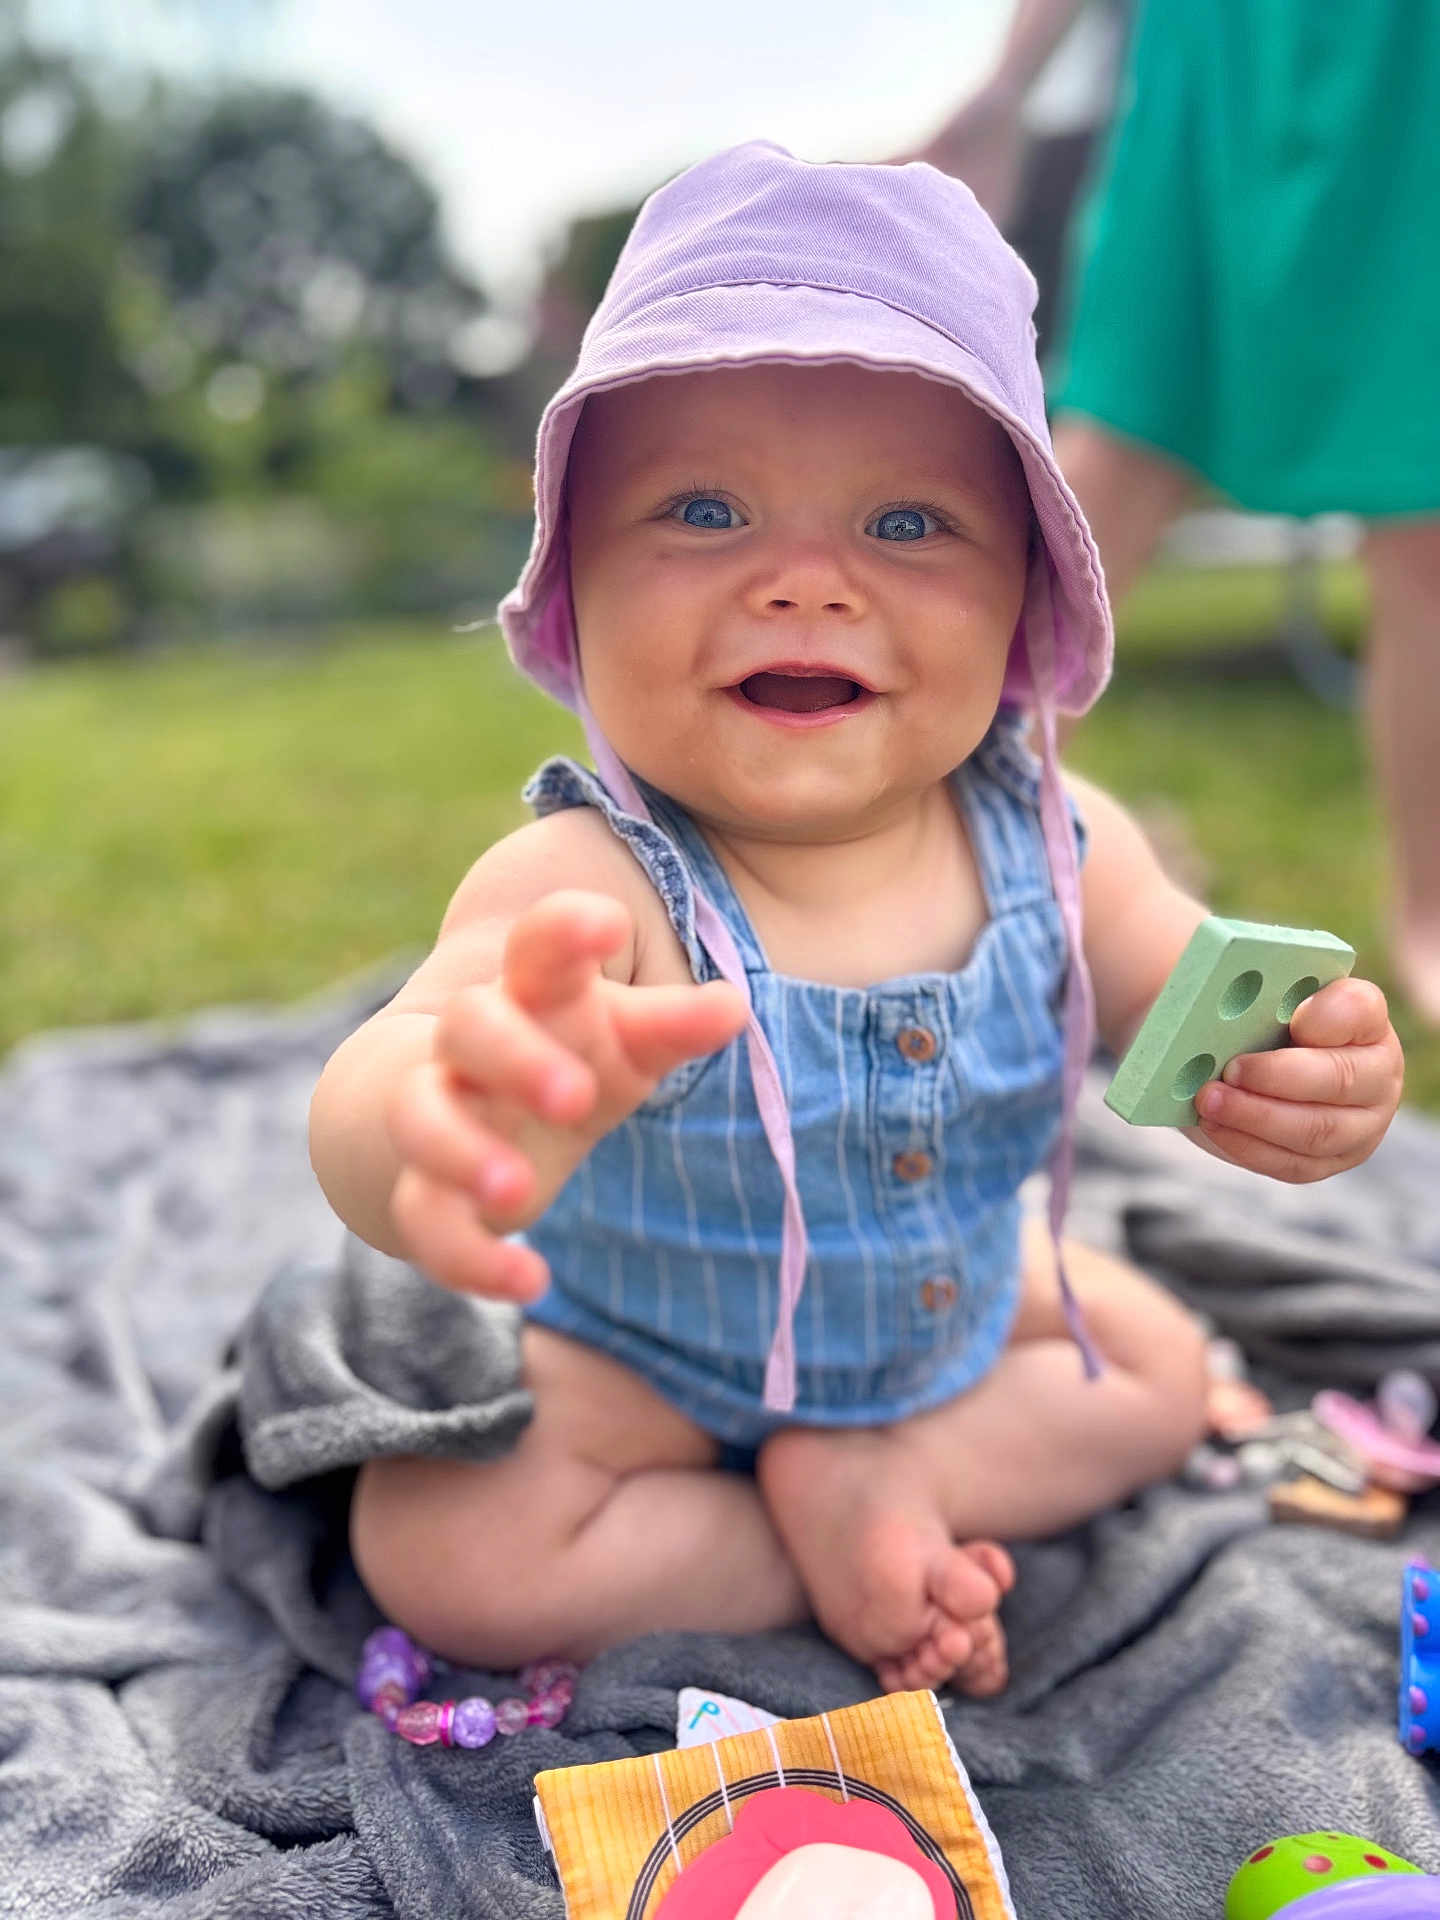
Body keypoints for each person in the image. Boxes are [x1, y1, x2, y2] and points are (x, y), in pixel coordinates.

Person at [308, 144, 1403, 1700]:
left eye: (907, 526)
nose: (808, 583)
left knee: (1158, 1371)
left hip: (945, 1315)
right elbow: (389, 1069)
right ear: (575, 593)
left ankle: (876, 1469)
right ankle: (825, 1519)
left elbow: (1206, 1009)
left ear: (1023, 600)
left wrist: (1313, 1077)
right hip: (653, 1355)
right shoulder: (593, 884)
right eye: (702, 509)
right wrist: (438, 1120)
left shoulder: (1055, 835)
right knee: (445, 1545)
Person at [913, 0, 1440, 1023]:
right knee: (1117, 440)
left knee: (1428, 501)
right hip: (1223, 51)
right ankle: (913, 846)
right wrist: (1005, 86)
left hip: (1410, 57)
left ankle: (1433, 907)